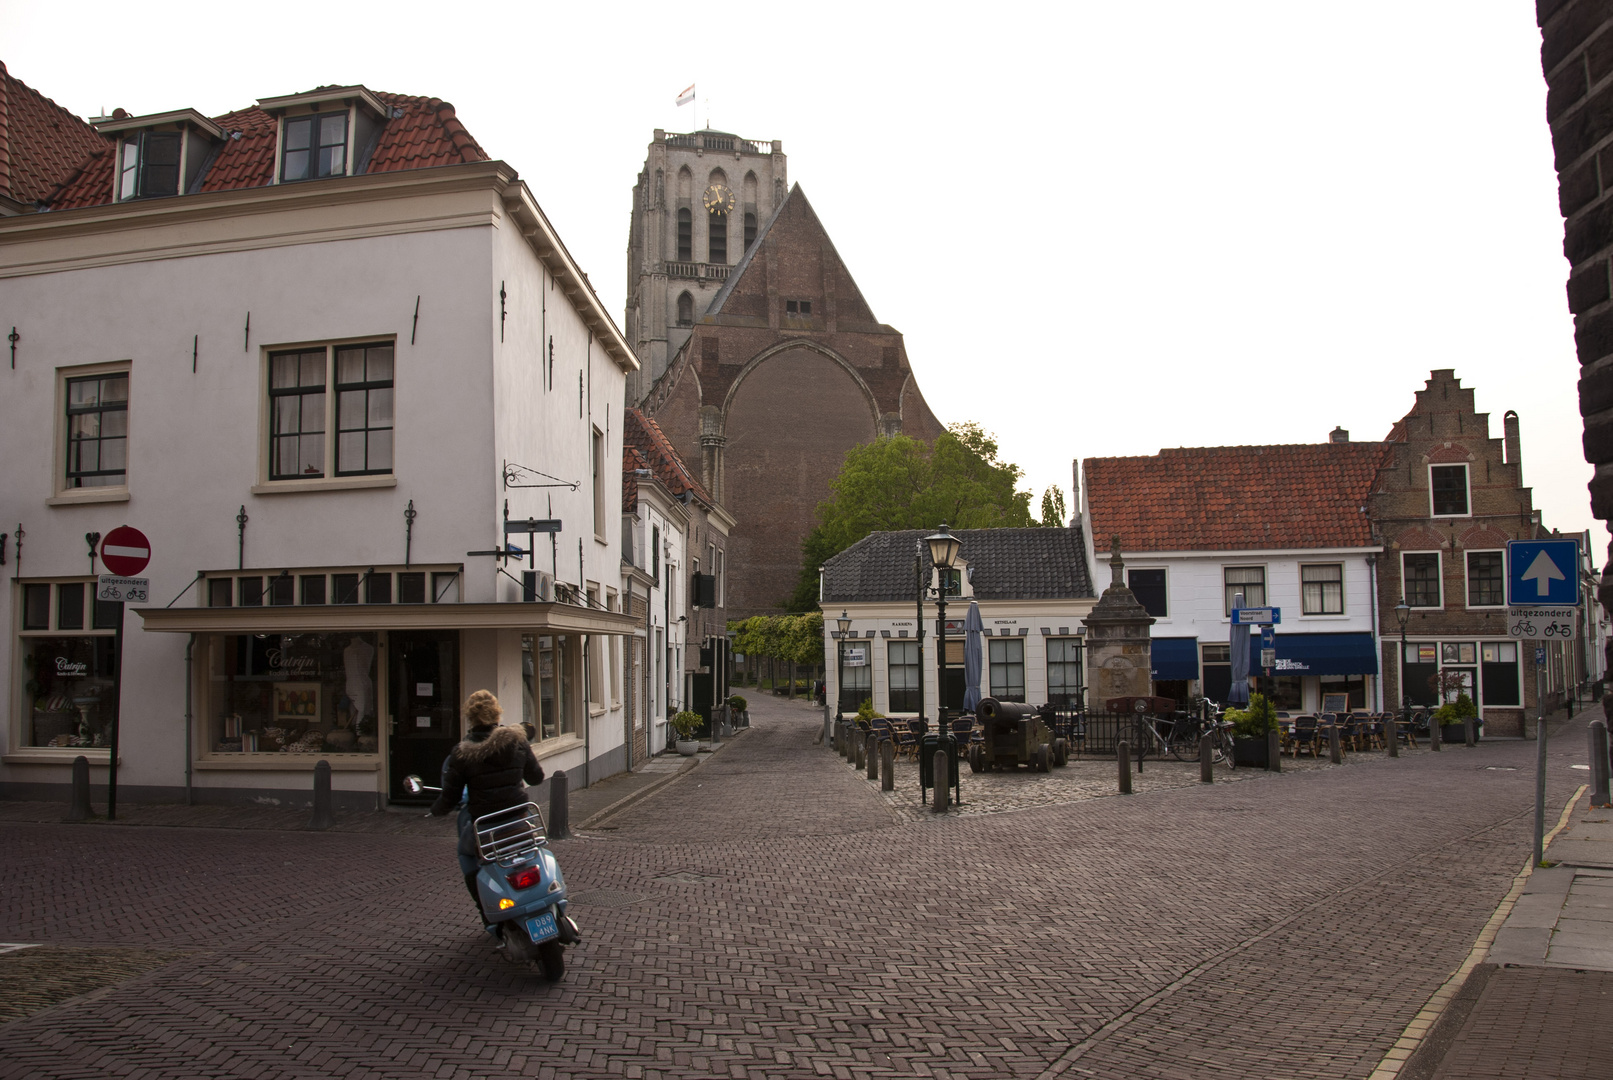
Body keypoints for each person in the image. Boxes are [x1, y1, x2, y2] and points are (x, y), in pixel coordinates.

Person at [428, 690, 544, 917]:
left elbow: (450, 797)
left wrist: (436, 809)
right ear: (497, 713)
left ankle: (483, 908)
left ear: (470, 717)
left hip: (486, 828)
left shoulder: (462, 754)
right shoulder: (517, 741)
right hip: (519, 820)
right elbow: (536, 778)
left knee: (465, 852)